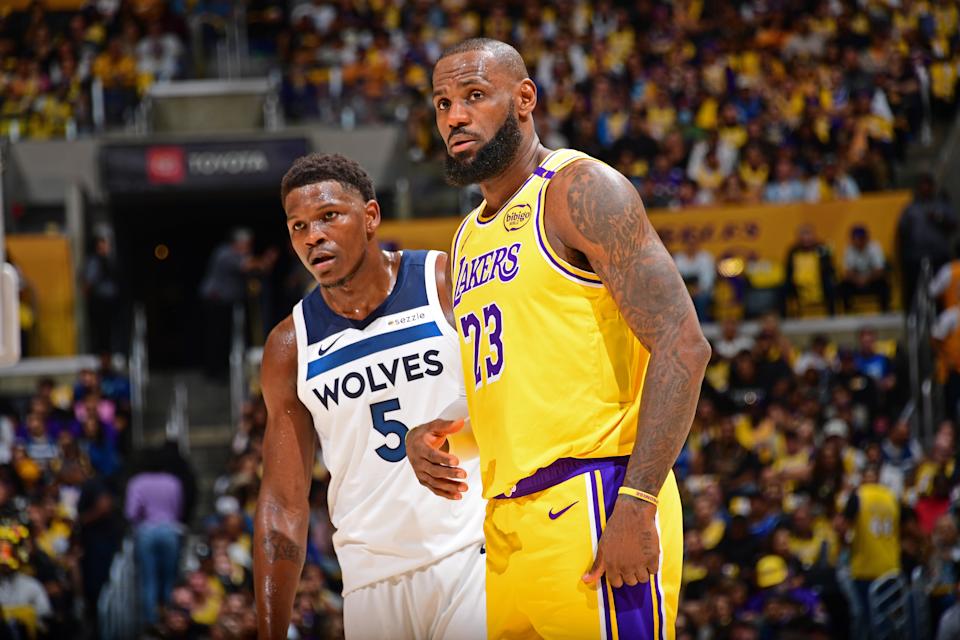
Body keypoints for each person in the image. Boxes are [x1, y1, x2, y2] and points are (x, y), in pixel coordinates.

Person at [408, 38, 710, 638]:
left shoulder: (578, 189)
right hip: (507, 525)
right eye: (442, 104)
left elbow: (683, 343)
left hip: (594, 501)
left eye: (473, 96)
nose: (455, 117)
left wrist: (639, 501)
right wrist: (444, 440)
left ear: (525, 100)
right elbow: (523, 391)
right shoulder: (467, 236)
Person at [253, 153, 486, 639]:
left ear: (371, 217)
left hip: (471, 551)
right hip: (368, 580)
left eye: (328, 217)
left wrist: (451, 428)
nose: (312, 235)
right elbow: (283, 505)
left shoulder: (442, 281)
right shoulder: (289, 346)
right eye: (298, 226)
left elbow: (513, 386)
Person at [198, 229, 276, 378]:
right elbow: (249, 266)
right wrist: (265, 261)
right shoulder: (224, 253)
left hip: (229, 304)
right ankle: (214, 372)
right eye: (246, 244)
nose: (248, 247)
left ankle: (224, 370)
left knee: (230, 336)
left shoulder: (242, 255)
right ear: (237, 243)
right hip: (216, 302)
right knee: (216, 337)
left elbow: (258, 271)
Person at [125, 445, 184, 626]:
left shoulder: (137, 482)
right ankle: (170, 622)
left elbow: (130, 513)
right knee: (169, 580)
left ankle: (151, 625)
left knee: (148, 580)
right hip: (169, 531)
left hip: (146, 533)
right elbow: (178, 510)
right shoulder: (173, 481)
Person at [898, 173, 957, 309]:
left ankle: (942, 315)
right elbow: (903, 230)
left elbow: (954, 224)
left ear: (933, 187)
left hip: (939, 255)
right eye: (922, 185)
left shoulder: (942, 205)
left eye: (928, 185)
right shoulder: (910, 208)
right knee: (915, 290)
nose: (925, 188)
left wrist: (939, 218)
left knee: (941, 290)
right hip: (916, 257)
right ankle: (916, 317)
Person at [783, 224, 836, 316]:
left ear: (814, 236)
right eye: (803, 235)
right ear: (798, 237)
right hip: (797, 284)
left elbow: (829, 267)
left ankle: (832, 316)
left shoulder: (822, 248)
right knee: (783, 288)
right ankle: (785, 318)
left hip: (820, 282)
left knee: (830, 285)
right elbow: (788, 270)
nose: (806, 238)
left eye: (809, 234)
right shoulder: (793, 250)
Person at [839, 226, 890, 312]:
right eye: (856, 238)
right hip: (856, 282)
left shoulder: (875, 247)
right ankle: (848, 312)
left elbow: (879, 270)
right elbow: (847, 272)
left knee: (883, 284)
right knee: (843, 286)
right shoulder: (849, 249)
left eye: (861, 238)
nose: (858, 241)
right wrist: (858, 280)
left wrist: (866, 279)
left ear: (867, 238)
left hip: (872, 280)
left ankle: (885, 311)